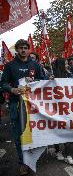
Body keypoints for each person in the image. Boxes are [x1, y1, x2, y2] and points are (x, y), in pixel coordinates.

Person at [0, 39, 45, 175]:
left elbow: (42, 81)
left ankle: (32, 160)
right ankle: (23, 162)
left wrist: (44, 80)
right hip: (16, 105)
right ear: (17, 50)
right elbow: (3, 84)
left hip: (33, 105)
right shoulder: (10, 66)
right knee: (19, 134)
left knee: (34, 134)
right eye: (21, 48)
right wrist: (12, 89)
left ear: (29, 49)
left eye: (25, 48)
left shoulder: (35, 65)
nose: (23, 50)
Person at [52, 58, 73, 165]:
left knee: (68, 130)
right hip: (57, 108)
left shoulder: (69, 74)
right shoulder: (53, 76)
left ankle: (68, 155)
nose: (67, 64)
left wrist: (71, 74)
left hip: (68, 107)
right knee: (58, 130)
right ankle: (57, 151)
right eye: (66, 63)